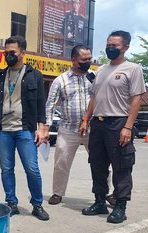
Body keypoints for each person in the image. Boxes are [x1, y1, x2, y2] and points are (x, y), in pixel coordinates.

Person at [80, 30, 145, 224]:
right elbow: (94, 97)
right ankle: (99, 201)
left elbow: (136, 100)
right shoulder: (101, 70)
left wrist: (128, 127)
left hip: (118, 123)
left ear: (125, 47)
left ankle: (120, 206)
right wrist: (85, 118)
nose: (110, 48)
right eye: (108, 44)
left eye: (114, 45)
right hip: (98, 124)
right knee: (97, 165)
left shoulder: (133, 69)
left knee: (121, 166)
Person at [0, 36, 50, 221]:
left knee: (32, 169)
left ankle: (37, 204)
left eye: (12, 52)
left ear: (22, 53)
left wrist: (42, 128)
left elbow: (40, 104)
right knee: (6, 169)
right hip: (3, 131)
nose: (8, 55)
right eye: (6, 52)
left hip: (24, 130)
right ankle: (11, 203)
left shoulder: (34, 75)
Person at [45, 45, 93, 205]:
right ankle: (57, 193)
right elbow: (50, 104)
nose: (88, 62)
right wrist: (47, 126)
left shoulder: (94, 77)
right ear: (73, 60)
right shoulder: (61, 80)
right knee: (61, 162)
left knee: (100, 162)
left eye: (89, 59)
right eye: (84, 60)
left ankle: (104, 193)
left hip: (93, 129)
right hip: (68, 129)